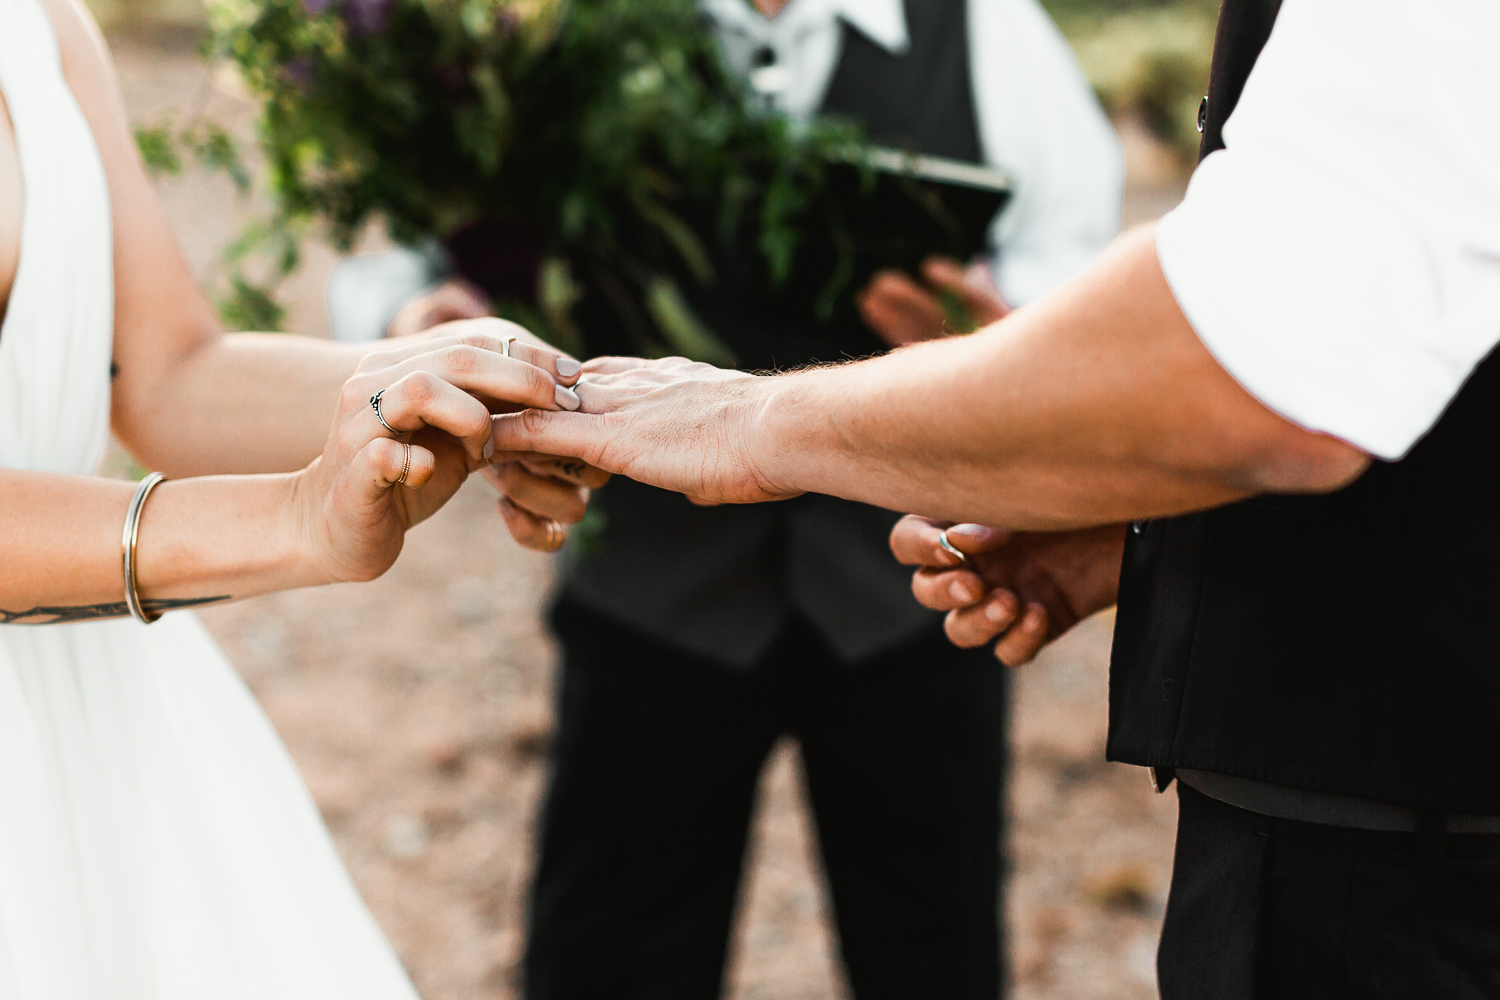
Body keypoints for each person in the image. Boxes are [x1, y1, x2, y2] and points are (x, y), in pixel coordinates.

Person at [498, 0, 1500, 994]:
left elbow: (1273, 353)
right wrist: (1146, 538)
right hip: (667, 592)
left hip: (1409, 865)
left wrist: (745, 424)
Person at [462, 2, 1118, 998]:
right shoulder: (563, 24)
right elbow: (435, 250)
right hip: (648, 593)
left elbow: (1072, 254)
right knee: (606, 956)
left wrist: (995, 334)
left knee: (932, 953)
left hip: (913, 592)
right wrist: (431, 322)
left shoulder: (982, 22)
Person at [0, 0, 606, 994]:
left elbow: (166, 373)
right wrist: (295, 521)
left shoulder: (43, 26)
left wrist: (440, 384)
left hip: (99, 725)